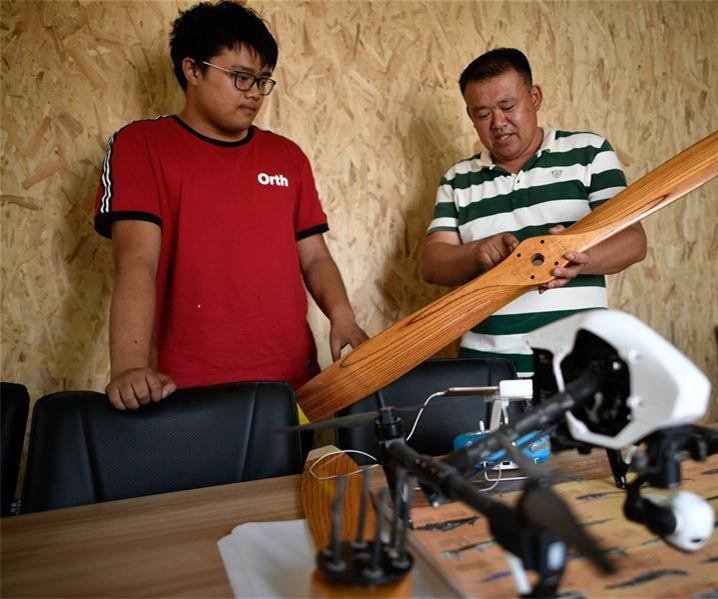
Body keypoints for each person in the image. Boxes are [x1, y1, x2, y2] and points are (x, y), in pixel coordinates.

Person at [93, 1, 367, 411]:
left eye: (263, 81)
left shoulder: (287, 156)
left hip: (294, 384)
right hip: (192, 389)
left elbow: (313, 256)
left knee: (299, 474)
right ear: (193, 70)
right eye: (241, 78)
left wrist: (342, 316)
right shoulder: (141, 146)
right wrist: (129, 367)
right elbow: (137, 260)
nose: (255, 93)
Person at [420, 48, 647, 375]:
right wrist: (477, 253)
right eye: (483, 114)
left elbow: (633, 241)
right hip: (485, 370)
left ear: (535, 96)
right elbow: (431, 264)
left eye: (508, 106)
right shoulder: (457, 179)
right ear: (471, 116)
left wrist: (581, 260)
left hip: (575, 367)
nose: (498, 123)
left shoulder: (588, 153)